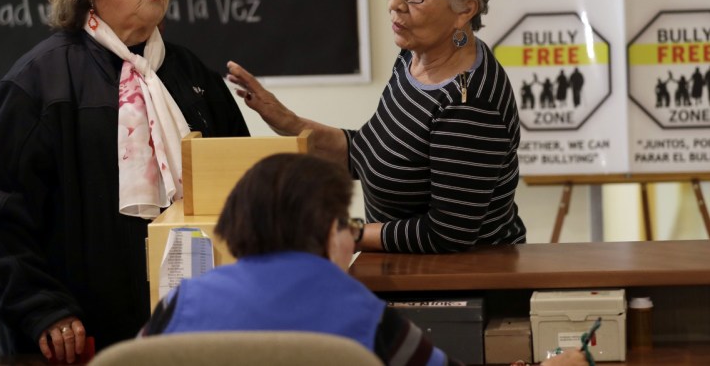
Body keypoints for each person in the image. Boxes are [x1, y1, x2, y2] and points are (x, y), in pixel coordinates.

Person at [0, 0, 249, 363]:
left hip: (193, 331)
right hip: (71, 338)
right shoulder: (38, 82)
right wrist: (43, 309)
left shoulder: (194, 78)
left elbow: (241, 194)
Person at [227, 0, 526, 254]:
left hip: (464, 287)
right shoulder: (415, 59)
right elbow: (367, 152)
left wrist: (343, 233)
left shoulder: (467, 105)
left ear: (464, 9)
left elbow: (447, 235)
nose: (395, 3)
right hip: (409, 272)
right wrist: (291, 123)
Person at [139, 153, 586, 366]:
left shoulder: (179, 306)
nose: (352, 238)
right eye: (348, 224)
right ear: (328, 230)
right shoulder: (361, 315)